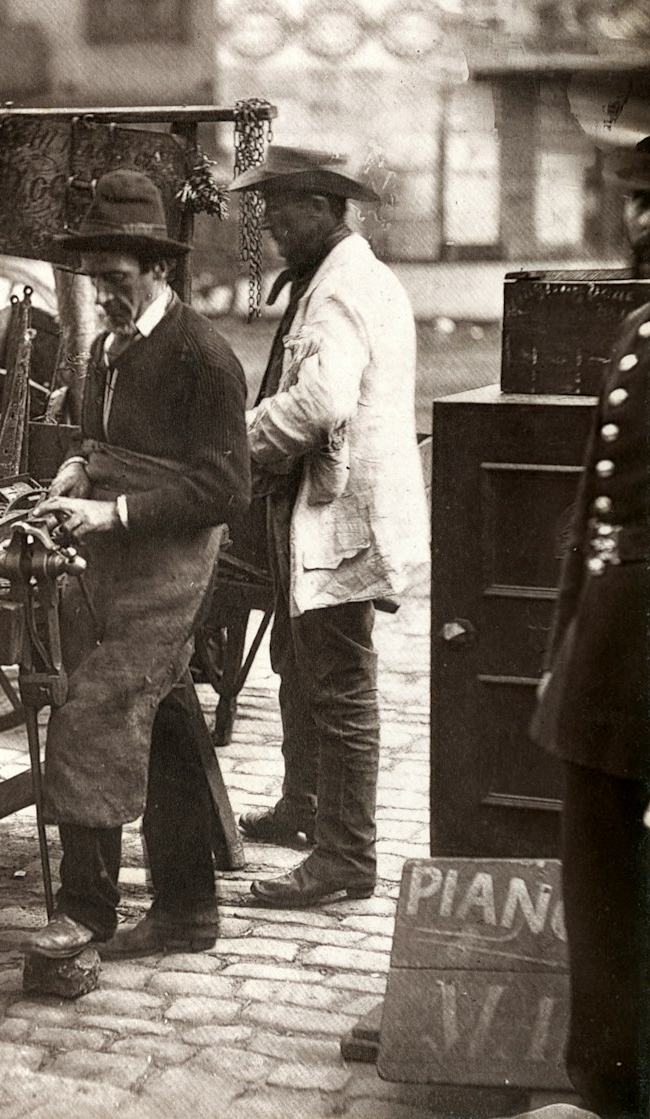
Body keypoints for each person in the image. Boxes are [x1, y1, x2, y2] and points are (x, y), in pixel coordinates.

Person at [22, 168, 251, 960]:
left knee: (97, 705)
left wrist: (111, 511)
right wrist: (81, 466)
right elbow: (105, 438)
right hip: (117, 554)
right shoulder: (110, 348)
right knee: (164, 717)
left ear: (158, 268)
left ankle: (85, 911)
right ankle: (188, 909)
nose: (105, 297)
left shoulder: (203, 358)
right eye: (97, 282)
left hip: (172, 558)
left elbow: (225, 488)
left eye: (118, 282)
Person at [227, 146, 428, 908]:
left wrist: (235, 443)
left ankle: (346, 856)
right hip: (326, 507)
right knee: (298, 656)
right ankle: (303, 805)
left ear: (319, 207)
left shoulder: (342, 288)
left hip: (340, 516)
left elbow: (320, 403)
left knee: (338, 679)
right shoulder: (336, 274)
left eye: (281, 211)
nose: (271, 226)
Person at [530, 143, 650, 1119]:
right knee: (597, 866)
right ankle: (605, 1082)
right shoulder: (639, 327)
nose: (640, 224)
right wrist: (565, 646)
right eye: (640, 204)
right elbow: (595, 510)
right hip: (611, 647)